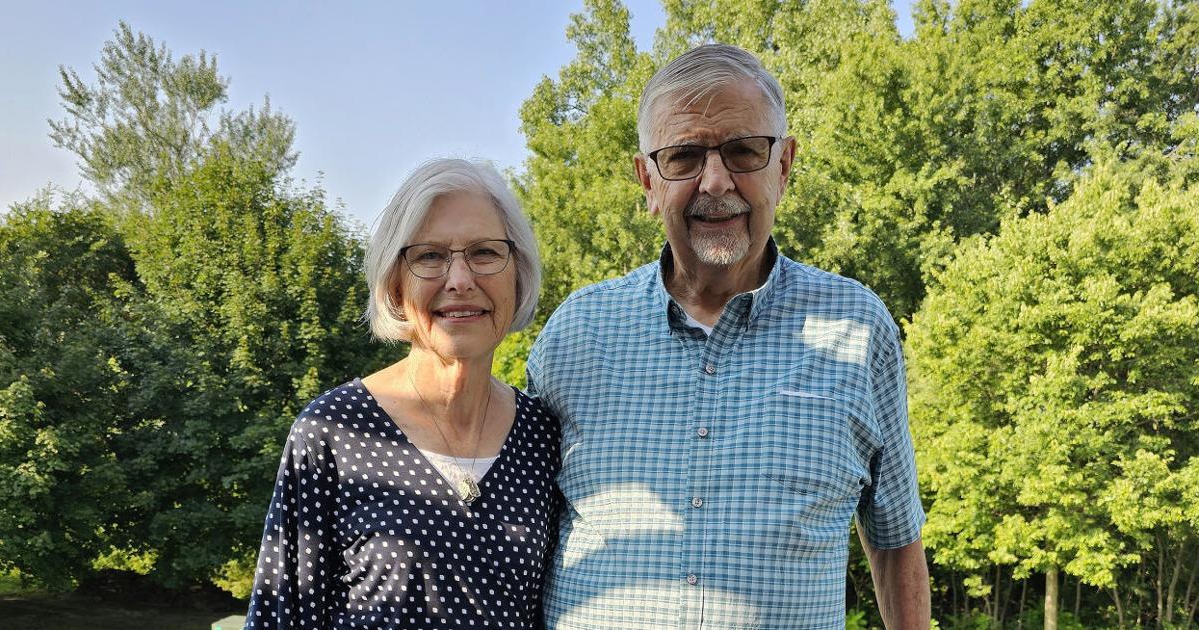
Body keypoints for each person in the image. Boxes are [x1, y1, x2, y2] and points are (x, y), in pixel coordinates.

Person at [527, 44, 930, 629]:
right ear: (647, 180)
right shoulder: (574, 336)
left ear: (785, 165)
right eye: (684, 157)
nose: (715, 182)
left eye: (744, 151)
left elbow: (895, 539)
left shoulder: (858, 329)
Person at [245, 158, 560, 629]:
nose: (459, 279)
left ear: (518, 274)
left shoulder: (543, 434)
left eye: (485, 253)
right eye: (429, 256)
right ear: (395, 283)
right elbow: (280, 615)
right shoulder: (332, 431)